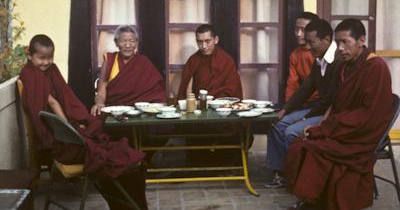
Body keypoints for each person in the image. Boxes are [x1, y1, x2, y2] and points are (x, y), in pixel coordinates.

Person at [19, 34, 148, 210]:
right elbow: (53, 102)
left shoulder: (51, 71)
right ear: (29, 56)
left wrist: (80, 121)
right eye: (41, 58)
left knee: (111, 148)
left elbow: (67, 97)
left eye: (50, 57)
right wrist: (70, 130)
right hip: (60, 141)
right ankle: (130, 205)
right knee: (116, 157)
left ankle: (126, 204)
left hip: (64, 133)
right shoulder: (30, 75)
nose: (46, 62)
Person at [285, 19, 393, 210]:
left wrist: (327, 128)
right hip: (345, 127)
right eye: (339, 42)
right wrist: (320, 126)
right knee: (300, 144)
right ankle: (314, 199)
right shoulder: (345, 66)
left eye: (346, 42)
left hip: (362, 134)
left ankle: (319, 201)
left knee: (316, 149)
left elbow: (368, 115)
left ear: (361, 40)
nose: (341, 48)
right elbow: (337, 104)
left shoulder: (376, 67)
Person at [265, 18, 341, 189]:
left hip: (330, 113)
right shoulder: (319, 57)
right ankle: (281, 172)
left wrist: (305, 117)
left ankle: (298, 178)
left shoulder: (338, 61)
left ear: (326, 40)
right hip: (318, 109)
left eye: (311, 42)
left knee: (291, 131)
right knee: (278, 123)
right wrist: (285, 109)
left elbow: (330, 101)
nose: (307, 45)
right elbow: (304, 89)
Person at [91, 25, 166, 115]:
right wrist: (99, 103)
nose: (127, 45)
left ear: (136, 43)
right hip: (114, 110)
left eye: (131, 41)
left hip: (139, 111)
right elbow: (101, 90)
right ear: (116, 43)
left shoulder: (143, 62)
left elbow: (156, 91)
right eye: (123, 41)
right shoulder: (110, 60)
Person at [177, 24, 242, 100]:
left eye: (207, 41)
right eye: (200, 42)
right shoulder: (193, 61)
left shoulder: (226, 61)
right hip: (199, 105)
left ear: (216, 40)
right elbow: (186, 89)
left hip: (221, 106)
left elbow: (231, 89)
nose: (204, 46)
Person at [285, 12, 319, 102]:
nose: (298, 34)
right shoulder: (294, 55)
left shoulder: (320, 53)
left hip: (320, 102)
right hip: (303, 101)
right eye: (296, 29)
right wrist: (288, 104)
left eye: (303, 30)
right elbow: (292, 84)